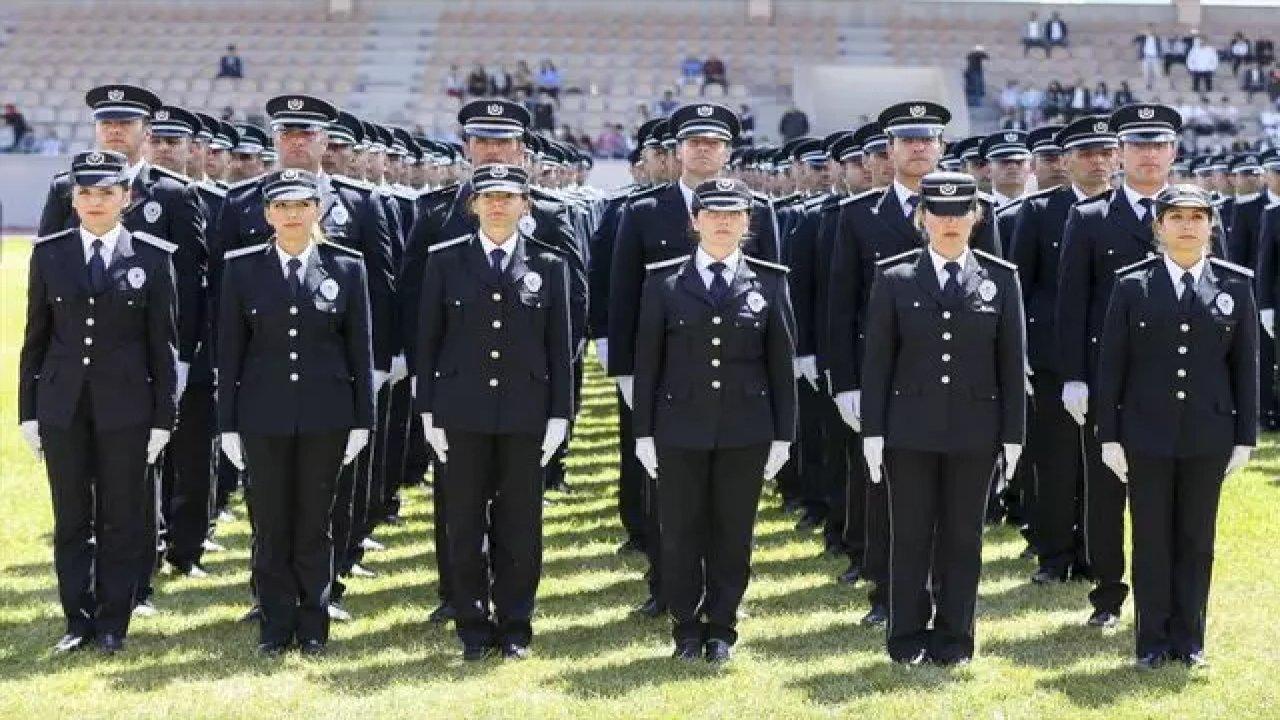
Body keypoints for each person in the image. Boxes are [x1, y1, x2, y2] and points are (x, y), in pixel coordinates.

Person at [826, 101, 1001, 628]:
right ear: (890, 150)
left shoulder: (978, 208)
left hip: (959, 382)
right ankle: (888, 593)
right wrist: (846, 382)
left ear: (942, 147)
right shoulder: (859, 214)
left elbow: (993, 294)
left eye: (928, 139)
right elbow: (841, 304)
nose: (919, 147)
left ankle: (950, 596)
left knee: (954, 502)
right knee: (886, 493)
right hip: (887, 379)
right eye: (908, 140)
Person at [607, 102, 780, 619]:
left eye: (714, 142)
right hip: (665, 371)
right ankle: (667, 585)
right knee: (666, 490)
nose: (704, 150)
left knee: (730, 499)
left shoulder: (758, 212)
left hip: (737, 373)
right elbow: (623, 295)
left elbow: (772, 293)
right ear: (677, 149)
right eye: (694, 142)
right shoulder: (641, 211)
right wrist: (623, 368)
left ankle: (725, 595)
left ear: (728, 151)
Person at [1055, 102, 1219, 630]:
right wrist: (1075, 375)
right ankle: (1107, 593)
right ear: (1120, 153)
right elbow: (1072, 304)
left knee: (1176, 497)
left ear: (1174, 152)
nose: (1149, 155)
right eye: (1138, 145)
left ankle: (1172, 598)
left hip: (1179, 383)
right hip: (1110, 379)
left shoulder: (1201, 215)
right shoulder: (1090, 218)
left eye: (1159, 145)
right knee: (1106, 492)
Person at [859, 171, 1025, 665]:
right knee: (909, 535)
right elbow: (878, 363)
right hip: (909, 432)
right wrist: (873, 430)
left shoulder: (1001, 278)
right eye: (939, 212)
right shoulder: (895, 278)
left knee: (963, 537)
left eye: (960, 212)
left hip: (975, 432)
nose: (949, 222)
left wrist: (1013, 435)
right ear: (922, 217)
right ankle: (906, 635)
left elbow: (1011, 364)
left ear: (976, 217)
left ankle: (955, 637)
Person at [19, 150, 178, 654]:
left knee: (120, 517)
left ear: (125, 199)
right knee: (71, 517)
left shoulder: (153, 257)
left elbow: (163, 347)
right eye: (85, 193)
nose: (95, 201)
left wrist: (162, 418)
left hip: (126, 410)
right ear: (73, 198)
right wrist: (29, 412)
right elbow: (36, 340)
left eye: (106, 192)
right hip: (63, 406)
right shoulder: (50, 253)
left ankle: (113, 620)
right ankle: (77, 619)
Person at [631, 178, 796, 664]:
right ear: (695, 221)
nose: (723, 223)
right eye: (714, 214)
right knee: (680, 531)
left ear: (748, 223)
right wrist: (643, 430)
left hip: (746, 429)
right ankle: (686, 626)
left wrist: (783, 435)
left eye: (734, 215)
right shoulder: (663, 282)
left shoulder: (770, 281)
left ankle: (722, 625)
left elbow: (780, 367)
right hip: (679, 427)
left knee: (732, 531)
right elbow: (649, 363)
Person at [1094, 183, 1257, 669]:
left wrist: (1245, 436)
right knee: (1150, 539)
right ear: (1159, 226)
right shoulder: (1132, 285)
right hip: (1146, 435)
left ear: (1210, 225)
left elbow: (1244, 368)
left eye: (1197, 216)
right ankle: (1151, 641)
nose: (1187, 225)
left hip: (1208, 435)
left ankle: (1190, 640)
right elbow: (1112, 367)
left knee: (1195, 541)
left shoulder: (1234, 284)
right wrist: (1110, 435)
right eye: (1176, 216)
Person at [414, 164, 573, 661]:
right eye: (489, 197)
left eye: (509, 196)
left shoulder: (550, 264)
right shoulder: (445, 262)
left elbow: (560, 347)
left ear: (526, 205)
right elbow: (429, 341)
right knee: (462, 525)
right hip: (462, 413)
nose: (498, 205)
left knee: (520, 525)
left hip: (526, 414)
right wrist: (427, 412)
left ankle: (516, 624)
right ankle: (472, 626)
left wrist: (559, 415)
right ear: (474, 205)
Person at [217, 168, 374, 656]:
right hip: (262, 418)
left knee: (314, 524)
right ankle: (275, 623)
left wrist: (362, 421)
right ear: (267, 214)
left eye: (301, 205)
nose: (291, 215)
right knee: (269, 524)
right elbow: (230, 353)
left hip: (326, 418)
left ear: (317, 210)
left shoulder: (346, 268)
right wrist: (227, 425)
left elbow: (359, 352)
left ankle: (313, 622)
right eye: (281, 207)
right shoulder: (241, 269)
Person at [1010, 116, 1117, 585]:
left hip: (1115, 355)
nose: (1097, 161)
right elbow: (1021, 284)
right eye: (1086, 153)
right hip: (1054, 356)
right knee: (1055, 462)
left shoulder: (1131, 212)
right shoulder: (1038, 211)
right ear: (1066, 160)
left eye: (1104, 152)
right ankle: (1055, 556)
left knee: (1106, 464)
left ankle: (1098, 554)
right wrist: (1025, 354)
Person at [1136, 25, 1165, 91]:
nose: (1151, 30)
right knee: (1146, 72)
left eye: (1152, 29)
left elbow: (1160, 47)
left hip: (1155, 57)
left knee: (1157, 72)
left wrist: (1161, 56)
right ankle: (1148, 85)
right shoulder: (1142, 38)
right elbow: (1134, 40)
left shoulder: (1157, 38)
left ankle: (1159, 86)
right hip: (1146, 57)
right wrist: (1141, 33)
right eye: (1149, 29)